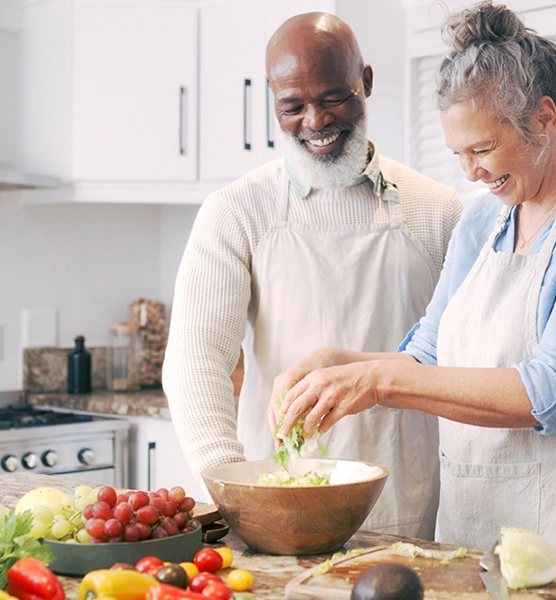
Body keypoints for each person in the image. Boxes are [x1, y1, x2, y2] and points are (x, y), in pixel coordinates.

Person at [269, 1, 556, 575]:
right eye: (459, 154)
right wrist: (342, 362)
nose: (471, 173)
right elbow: (428, 356)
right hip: (480, 532)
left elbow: (550, 393)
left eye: (483, 149)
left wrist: (377, 381)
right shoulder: (483, 222)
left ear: (545, 117)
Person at [163, 12, 463, 539]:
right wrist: (236, 490)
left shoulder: (438, 211)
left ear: (366, 82)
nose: (315, 121)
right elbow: (196, 359)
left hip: (412, 511)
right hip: (277, 514)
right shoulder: (235, 211)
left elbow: (463, 364)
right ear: (273, 102)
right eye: (293, 106)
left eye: (333, 98)